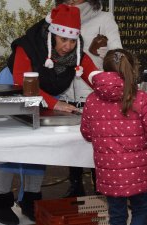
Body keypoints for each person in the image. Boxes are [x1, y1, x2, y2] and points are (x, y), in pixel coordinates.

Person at [0, 4, 99, 225]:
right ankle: (1, 201)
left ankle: (30, 200)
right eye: (63, 41)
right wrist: (54, 103)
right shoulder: (27, 46)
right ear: (52, 36)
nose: (68, 47)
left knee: (38, 147)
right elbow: (22, 82)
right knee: (9, 148)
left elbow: (94, 75)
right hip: (13, 91)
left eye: (71, 41)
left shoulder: (75, 50)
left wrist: (115, 89)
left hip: (42, 96)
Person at [80, 49, 147, 225]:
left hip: (108, 171)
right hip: (139, 170)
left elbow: (86, 133)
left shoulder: (92, 100)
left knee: (117, 215)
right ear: (132, 68)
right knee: (141, 209)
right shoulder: (141, 98)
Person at [56, 0, 123, 198]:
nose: (73, 1)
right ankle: (75, 184)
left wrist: (101, 55)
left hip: (94, 92)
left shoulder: (104, 18)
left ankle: (101, 187)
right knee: (71, 143)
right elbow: (55, 52)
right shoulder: (56, 19)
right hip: (65, 91)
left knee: (98, 143)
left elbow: (118, 54)